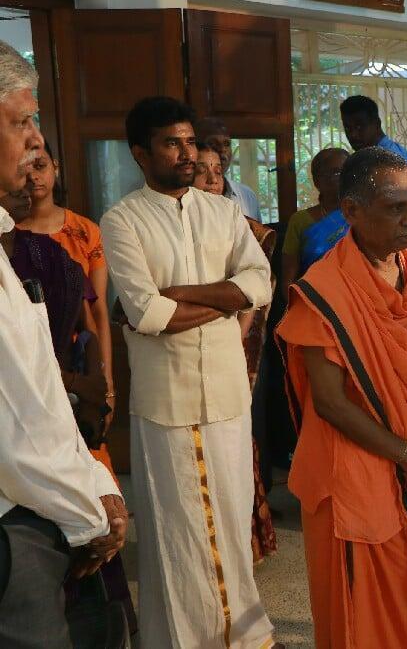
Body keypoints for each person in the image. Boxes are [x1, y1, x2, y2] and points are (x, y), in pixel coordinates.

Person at [100, 96, 276, 648]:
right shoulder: (122, 220)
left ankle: (243, 637)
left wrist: (186, 295)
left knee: (232, 522)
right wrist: (224, 301)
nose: (187, 154)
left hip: (227, 395)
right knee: (177, 537)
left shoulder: (223, 212)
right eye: (171, 143)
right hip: (166, 405)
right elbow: (148, 314)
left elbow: (260, 284)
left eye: (190, 142)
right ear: (140, 153)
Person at [277, 147, 407, 648]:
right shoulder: (323, 291)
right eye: (394, 207)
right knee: (364, 622)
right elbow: (330, 402)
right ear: (352, 211)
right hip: (355, 475)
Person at [0, 39, 126, 646]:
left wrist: (94, 485)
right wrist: (89, 510)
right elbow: (15, 421)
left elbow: (39, 385)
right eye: (21, 122)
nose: (36, 141)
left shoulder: (15, 245)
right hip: (16, 516)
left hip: (51, 490)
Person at [194, 141, 279, 565]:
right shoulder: (176, 226)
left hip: (235, 347)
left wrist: (233, 334)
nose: (213, 178)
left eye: (218, 169)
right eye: (202, 169)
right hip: (185, 349)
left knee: (237, 445)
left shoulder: (245, 229)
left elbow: (256, 291)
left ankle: (245, 543)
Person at [17, 140, 116, 434]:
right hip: (26, 362)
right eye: (24, 170)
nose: (34, 177)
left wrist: (105, 381)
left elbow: (97, 311)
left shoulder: (84, 231)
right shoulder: (8, 234)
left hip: (77, 359)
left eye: (40, 166)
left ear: (55, 168)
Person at [341, 95, 407, 267]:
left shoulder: (378, 165)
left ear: (377, 123)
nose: (353, 134)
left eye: (360, 126)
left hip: (400, 271)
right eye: (348, 128)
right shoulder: (403, 156)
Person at [280, 146, 350, 296]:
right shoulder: (300, 221)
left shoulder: (362, 216)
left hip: (358, 300)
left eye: (348, 172)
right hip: (315, 299)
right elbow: (288, 281)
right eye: (337, 172)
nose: (345, 178)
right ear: (318, 181)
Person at [195, 115, 263, 222]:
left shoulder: (247, 195)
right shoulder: (184, 198)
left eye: (227, 144)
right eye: (213, 143)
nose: (222, 149)